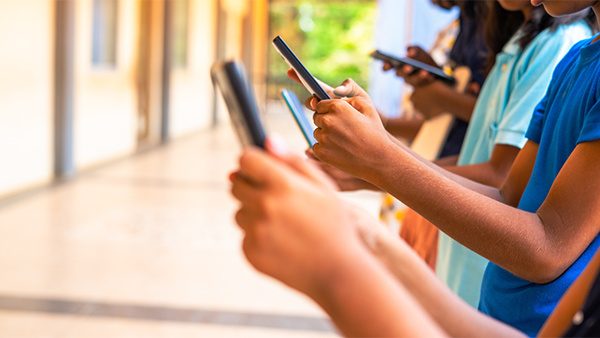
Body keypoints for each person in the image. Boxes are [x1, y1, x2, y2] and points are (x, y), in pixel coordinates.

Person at [242, 0, 600, 336]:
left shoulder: (565, 49)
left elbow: (547, 248)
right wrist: (375, 155)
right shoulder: (574, 61)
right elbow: (508, 196)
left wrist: (382, 160)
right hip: (496, 314)